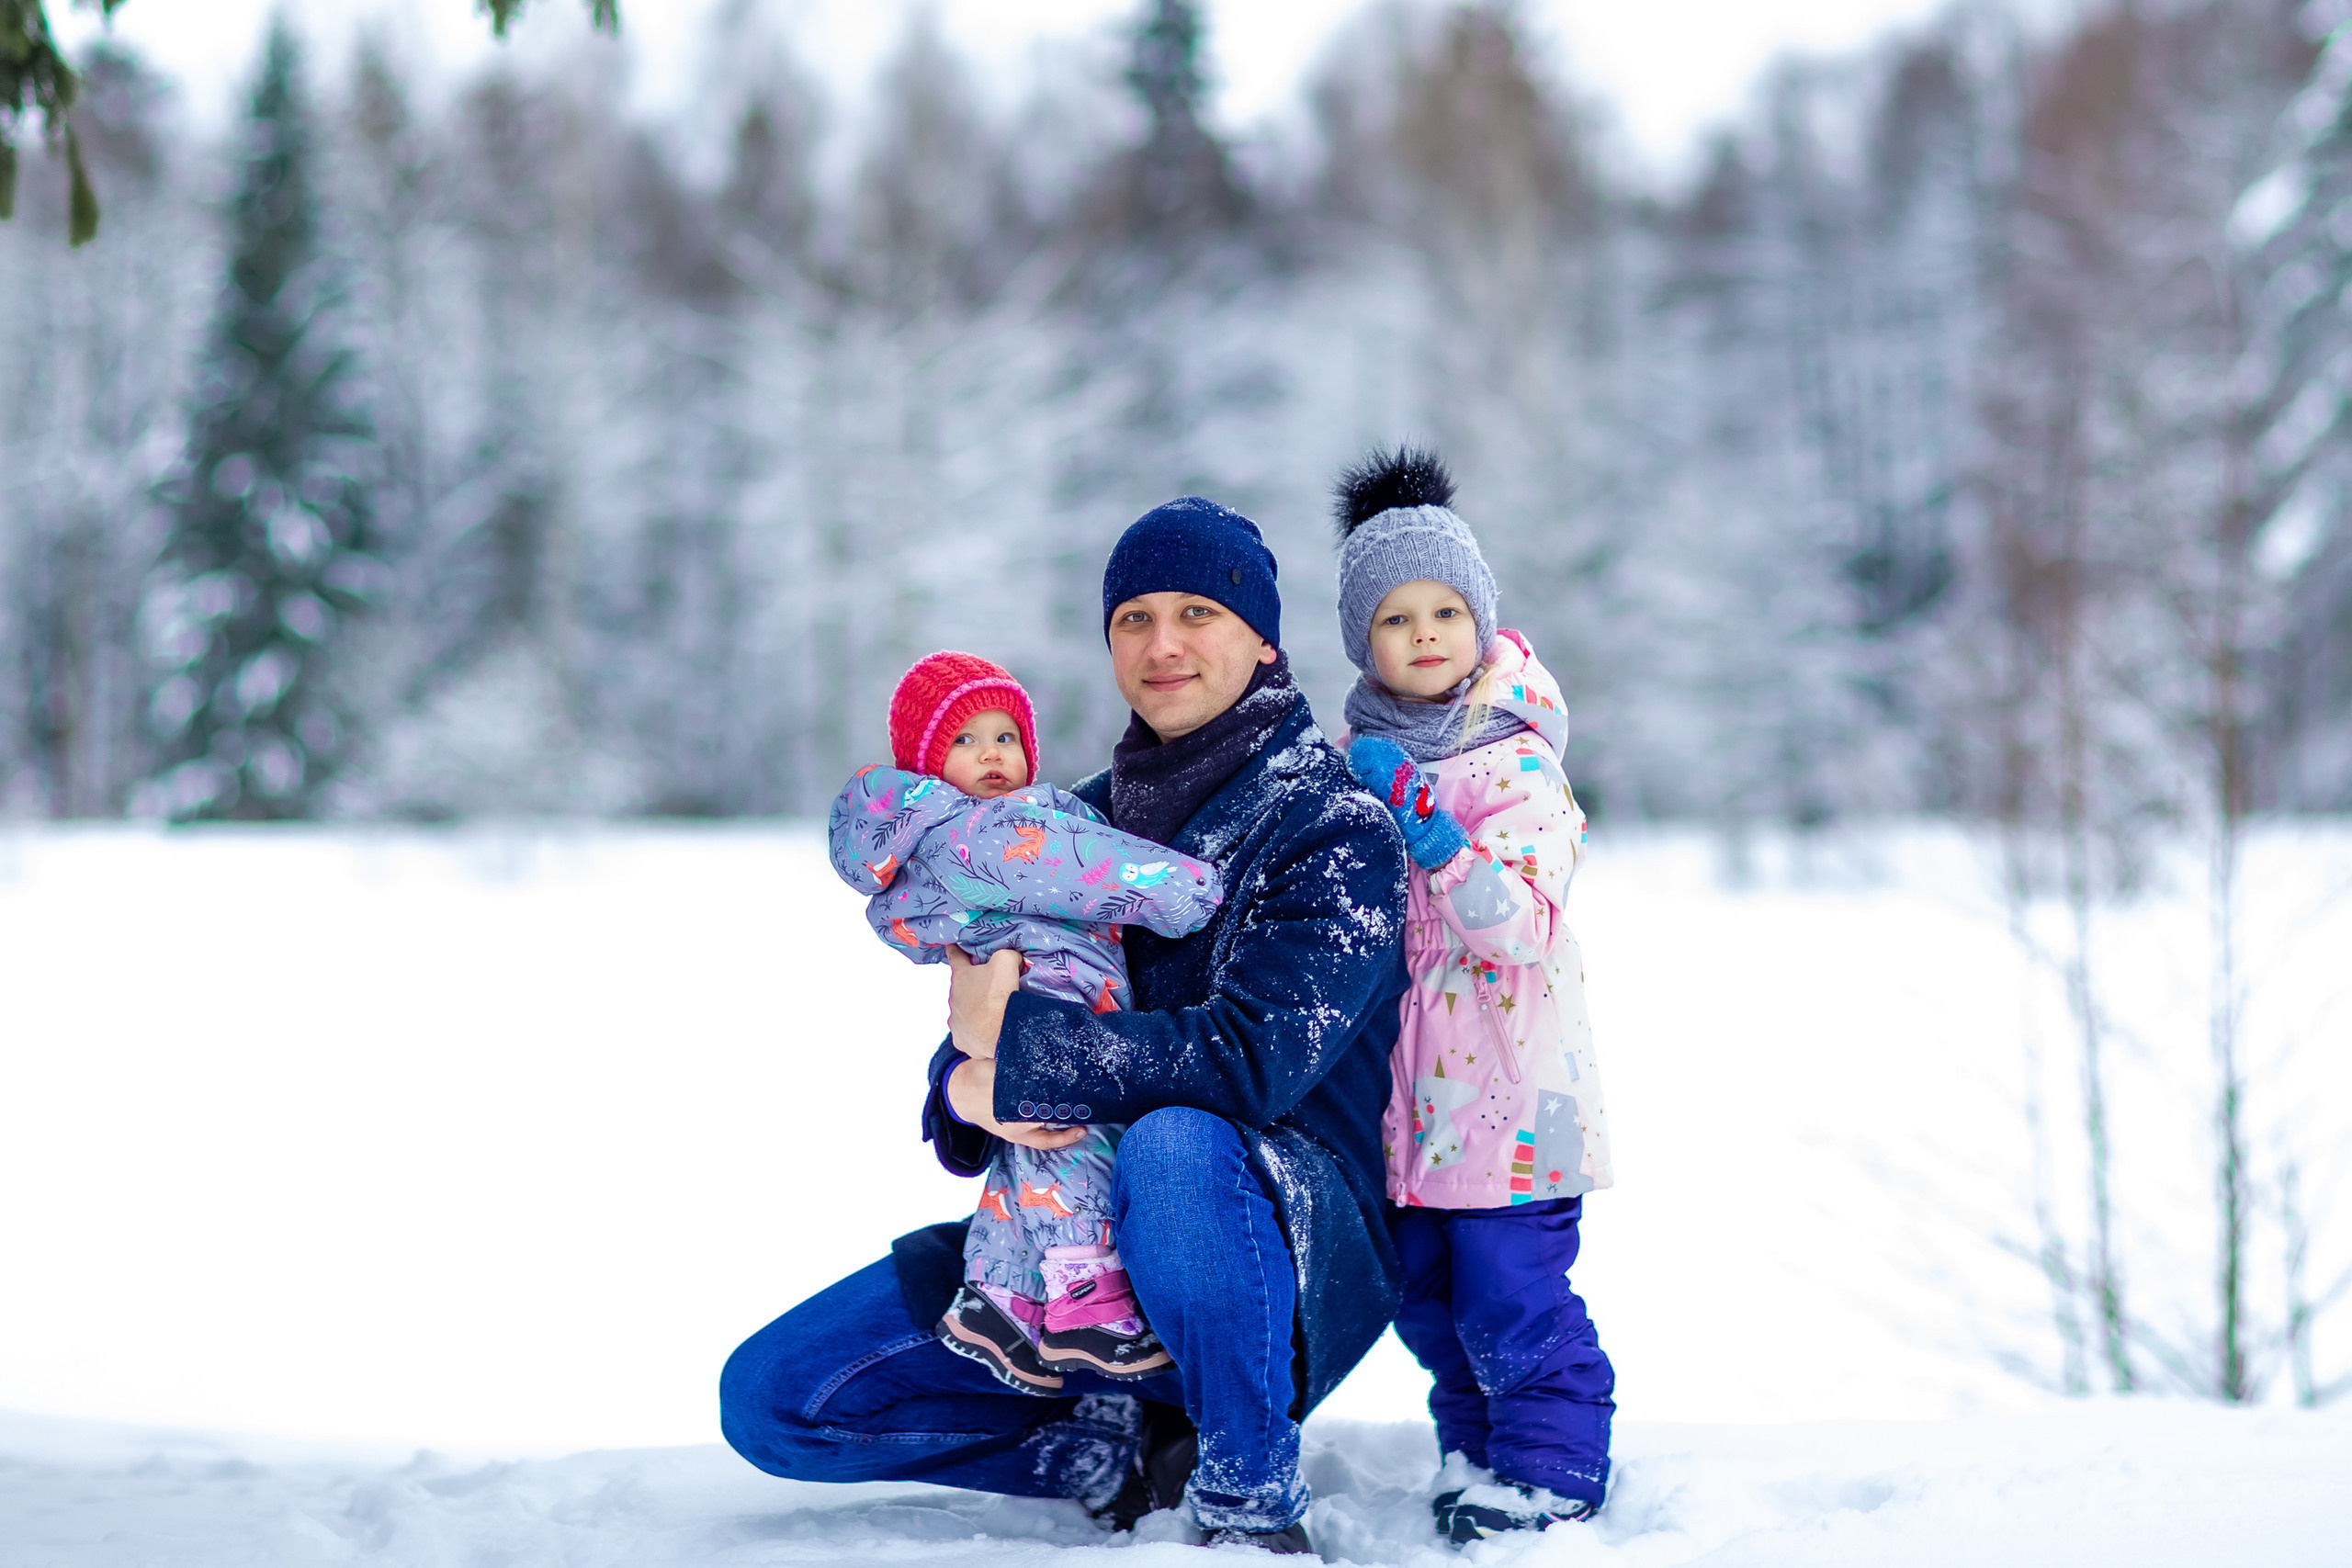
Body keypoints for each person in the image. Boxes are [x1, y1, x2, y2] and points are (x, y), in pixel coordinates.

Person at [721, 498, 1410, 1555]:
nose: (1162, 643)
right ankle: (1119, 1449)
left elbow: (1247, 1061)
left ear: (1263, 637)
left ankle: (1244, 1484)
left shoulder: (1334, 827)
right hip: (1062, 1233)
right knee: (777, 1397)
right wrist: (960, 1087)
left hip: (1262, 1242)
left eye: (1197, 613)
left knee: (1181, 1139)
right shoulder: (1060, 822)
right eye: (1133, 618)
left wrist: (1023, 1066)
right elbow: (985, 1018)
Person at [1330, 448, 1617, 1542]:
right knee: (1426, 1296)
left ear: (1481, 619)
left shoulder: (1515, 763)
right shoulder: (1361, 761)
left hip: (1512, 1099)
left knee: (1511, 1297)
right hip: (1408, 1110)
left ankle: (1549, 1466)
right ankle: (1476, 1449)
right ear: (1364, 641)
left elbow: (1519, 927)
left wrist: (1432, 836)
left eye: (1446, 608)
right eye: (1395, 618)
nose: (1424, 634)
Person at [827, 649, 1224, 1385]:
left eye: (1005, 736)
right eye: (965, 741)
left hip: (1051, 1000)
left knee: (1023, 1159)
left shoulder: (979, 833)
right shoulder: (980, 836)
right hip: (1059, 1006)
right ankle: (1089, 1297)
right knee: (1069, 1145)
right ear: (927, 764)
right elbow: (1092, 867)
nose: (992, 755)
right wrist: (1189, 889)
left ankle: (1000, 1299)